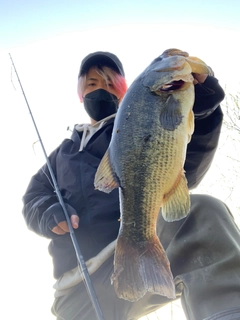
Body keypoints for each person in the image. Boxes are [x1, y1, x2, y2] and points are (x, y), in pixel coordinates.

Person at [22, 51, 240, 320]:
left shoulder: (141, 117)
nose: (101, 89)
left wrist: (204, 107)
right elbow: (33, 197)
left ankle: (227, 312)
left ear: (125, 90)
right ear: (81, 93)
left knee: (203, 213)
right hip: (78, 285)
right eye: (92, 84)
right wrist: (49, 211)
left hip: (145, 249)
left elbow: (188, 166)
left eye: (111, 83)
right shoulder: (60, 155)